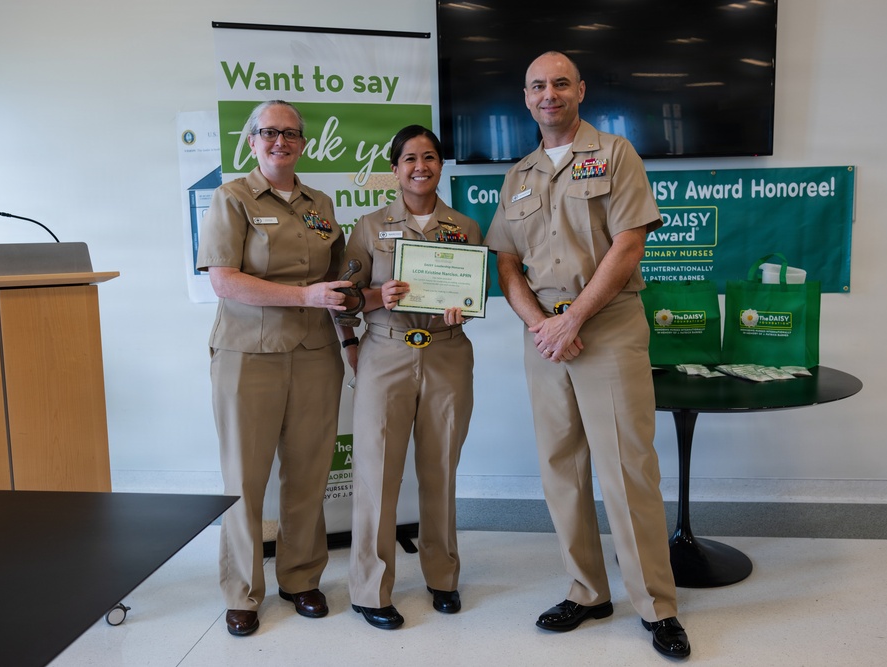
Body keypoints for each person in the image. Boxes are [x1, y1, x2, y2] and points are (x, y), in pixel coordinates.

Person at [485, 52, 691, 659]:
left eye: (559, 84)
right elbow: (506, 263)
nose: (548, 94)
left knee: (628, 469)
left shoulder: (616, 153)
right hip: (543, 334)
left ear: (580, 91)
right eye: (537, 86)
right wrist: (543, 325)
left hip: (608, 325)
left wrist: (574, 317)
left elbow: (628, 244)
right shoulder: (518, 173)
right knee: (561, 466)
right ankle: (587, 591)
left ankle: (656, 605)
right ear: (526, 98)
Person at [196, 100, 358, 637]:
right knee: (245, 479)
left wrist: (353, 324)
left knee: (309, 471)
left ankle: (300, 577)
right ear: (251, 140)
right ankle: (242, 590)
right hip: (248, 357)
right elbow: (224, 280)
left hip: (315, 356)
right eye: (269, 132)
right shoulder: (232, 197)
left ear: (303, 143)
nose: (280, 141)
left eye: (290, 133)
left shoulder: (320, 204)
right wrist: (306, 294)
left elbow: (336, 285)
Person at [345, 125, 482, 630]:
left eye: (429, 157)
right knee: (377, 473)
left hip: (446, 354)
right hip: (386, 354)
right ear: (395, 168)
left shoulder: (465, 228)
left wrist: (463, 309)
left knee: (441, 469)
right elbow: (346, 295)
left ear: (440, 165)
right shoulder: (369, 226)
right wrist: (365, 320)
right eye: (409, 158)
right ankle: (369, 588)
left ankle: (442, 576)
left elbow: (472, 293)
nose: (419, 166)